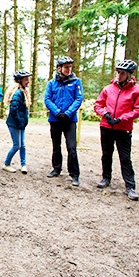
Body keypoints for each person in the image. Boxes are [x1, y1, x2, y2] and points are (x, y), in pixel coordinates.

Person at [93, 59, 139, 201]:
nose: (119, 75)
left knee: (125, 157)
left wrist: (122, 118)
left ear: (129, 74)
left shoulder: (137, 90)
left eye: (122, 73)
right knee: (106, 154)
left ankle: (130, 186)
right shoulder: (108, 88)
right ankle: (106, 178)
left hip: (123, 128)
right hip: (106, 126)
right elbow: (98, 105)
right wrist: (105, 114)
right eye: (117, 72)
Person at [44, 56, 83, 186]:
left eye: (70, 67)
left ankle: (74, 174)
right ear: (59, 68)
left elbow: (78, 98)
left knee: (72, 147)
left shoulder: (76, 81)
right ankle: (56, 168)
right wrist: (57, 112)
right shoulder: (51, 83)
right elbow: (47, 99)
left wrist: (68, 113)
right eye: (66, 67)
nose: (68, 69)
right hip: (55, 119)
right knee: (56, 145)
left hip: (70, 120)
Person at [2, 70, 32, 174]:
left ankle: (23, 165)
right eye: (26, 79)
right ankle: (6, 164)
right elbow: (14, 111)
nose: (28, 81)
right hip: (15, 124)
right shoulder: (17, 93)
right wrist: (20, 123)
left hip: (21, 124)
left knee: (22, 145)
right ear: (20, 80)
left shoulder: (23, 92)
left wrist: (23, 123)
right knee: (17, 145)